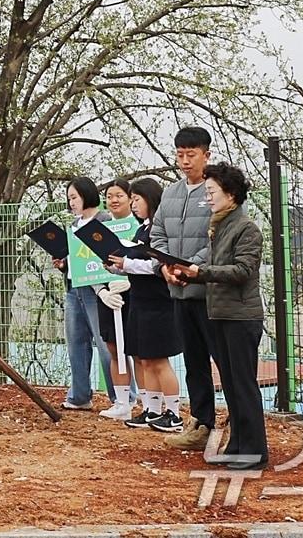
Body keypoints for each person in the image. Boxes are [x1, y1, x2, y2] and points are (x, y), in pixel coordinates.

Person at [166, 162, 268, 471]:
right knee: (231, 384)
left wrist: (201, 273)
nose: (208, 197)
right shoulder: (220, 226)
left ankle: (254, 451)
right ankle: (237, 445)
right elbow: (213, 268)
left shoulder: (246, 228)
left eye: (212, 192)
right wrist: (190, 276)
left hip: (241, 317)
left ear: (231, 194)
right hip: (221, 314)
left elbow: (242, 271)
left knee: (243, 385)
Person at [151, 126, 218, 450]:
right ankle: (201, 424)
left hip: (210, 294)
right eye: (180, 155)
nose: (185, 161)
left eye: (191, 154)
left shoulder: (218, 191)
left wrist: (192, 269)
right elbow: (157, 235)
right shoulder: (170, 193)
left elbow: (219, 240)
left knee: (225, 361)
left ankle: (241, 426)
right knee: (194, 362)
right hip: (178, 293)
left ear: (207, 155)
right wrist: (165, 267)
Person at [109, 178, 184, 431]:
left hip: (158, 303)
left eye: (137, 199)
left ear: (150, 199)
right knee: (145, 359)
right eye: (132, 200)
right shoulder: (142, 230)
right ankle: (152, 410)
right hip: (140, 300)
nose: (133, 204)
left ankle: (174, 413)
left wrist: (128, 264)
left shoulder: (160, 230)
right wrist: (116, 267)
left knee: (159, 360)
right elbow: (135, 264)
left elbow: (157, 265)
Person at [54, 177, 114, 411]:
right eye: (69, 198)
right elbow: (75, 259)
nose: (71, 203)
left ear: (87, 195)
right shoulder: (73, 226)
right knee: (76, 343)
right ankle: (79, 395)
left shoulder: (105, 220)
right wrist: (63, 264)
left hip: (97, 289)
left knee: (106, 344)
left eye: (74, 197)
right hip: (73, 288)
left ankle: (119, 396)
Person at [94, 179, 138, 420]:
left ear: (130, 198)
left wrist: (131, 280)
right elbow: (87, 263)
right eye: (109, 196)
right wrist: (101, 290)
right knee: (114, 348)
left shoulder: (140, 225)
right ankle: (122, 402)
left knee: (139, 350)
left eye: (119, 195)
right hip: (108, 295)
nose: (114, 200)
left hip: (135, 294)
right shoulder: (99, 230)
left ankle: (150, 403)